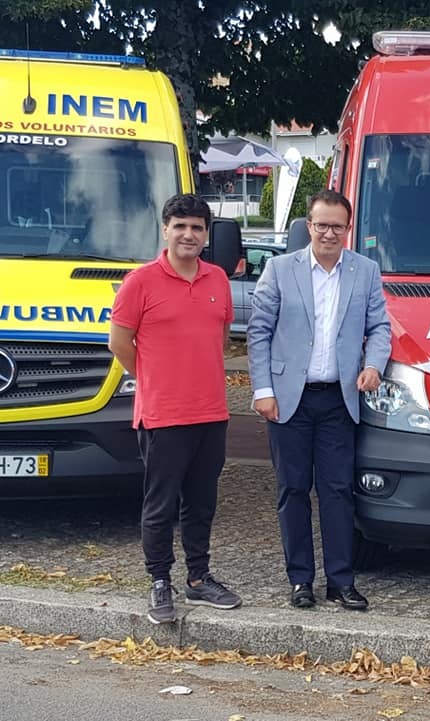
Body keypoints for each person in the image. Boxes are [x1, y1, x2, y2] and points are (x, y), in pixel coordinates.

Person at [247, 189, 391, 611]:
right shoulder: (279, 269)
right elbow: (258, 332)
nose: (329, 233)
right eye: (321, 224)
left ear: (348, 230)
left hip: (338, 399)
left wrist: (375, 365)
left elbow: (380, 326)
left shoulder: (365, 272)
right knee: (292, 489)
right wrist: (262, 390)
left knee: (338, 490)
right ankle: (300, 581)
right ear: (308, 226)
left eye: (337, 226)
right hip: (288, 399)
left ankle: (341, 580)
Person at [109, 193, 241, 625]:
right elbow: (119, 344)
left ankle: (199, 579)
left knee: (202, 503)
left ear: (206, 235)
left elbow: (219, 339)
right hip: (164, 415)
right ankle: (159, 581)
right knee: (160, 504)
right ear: (165, 229)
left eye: (197, 227)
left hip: (211, 412)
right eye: (180, 226)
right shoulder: (140, 282)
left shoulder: (218, 280)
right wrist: (154, 378)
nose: (188, 234)